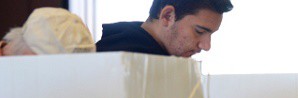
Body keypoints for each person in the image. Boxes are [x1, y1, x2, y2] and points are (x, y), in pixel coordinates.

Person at [96, 0, 233, 57]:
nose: (206, 46)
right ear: (168, 16)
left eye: (211, 34)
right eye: (199, 31)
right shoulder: (126, 61)